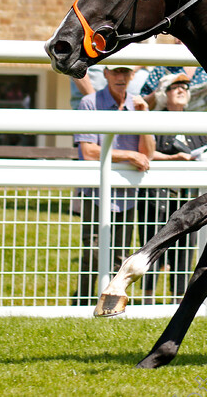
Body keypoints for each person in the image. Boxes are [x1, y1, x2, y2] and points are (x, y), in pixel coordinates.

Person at [72, 64, 154, 305]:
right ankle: (84, 303)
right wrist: (128, 156)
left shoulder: (137, 106)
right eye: (115, 72)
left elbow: (147, 153)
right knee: (94, 252)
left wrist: (144, 118)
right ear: (105, 74)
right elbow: (88, 151)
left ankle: (110, 304)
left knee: (121, 255)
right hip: (95, 193)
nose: (121, 77)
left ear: (132, 76)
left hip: (127, 193)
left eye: (126, 73)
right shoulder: (90, 103)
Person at [136, 74, 207, 302]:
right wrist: (174, 159)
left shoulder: (194, 123)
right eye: (175, 87)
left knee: (186, 247)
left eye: (185, 87)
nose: (181, 90)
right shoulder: (155, 121)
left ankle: (177, 299)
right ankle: (147, 298)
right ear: (163, 94)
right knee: (151, 242)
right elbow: (146, 152)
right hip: (156, 195)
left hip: (186, 196)